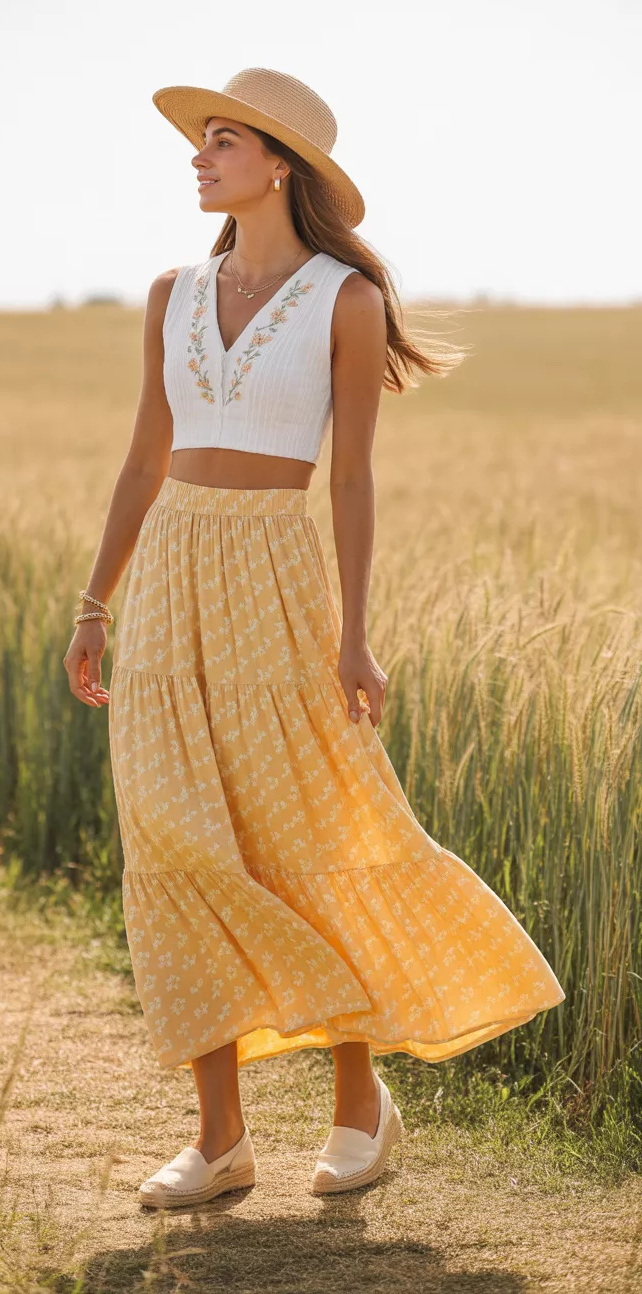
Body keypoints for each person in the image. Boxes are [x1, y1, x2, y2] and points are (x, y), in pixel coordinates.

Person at [63, 67, 566, 1208]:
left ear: (280, 163)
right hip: (171, 578)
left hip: (277, 578)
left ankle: (358, 1106)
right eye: (200, 140)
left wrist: (355, 636)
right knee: (173, 841)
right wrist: (95, 603)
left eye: (222, 140)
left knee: (311, 835)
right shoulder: (169, 292)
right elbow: (145, 459)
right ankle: (221, 1140)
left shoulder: (344, 299)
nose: (198, 155)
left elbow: (351, 478)